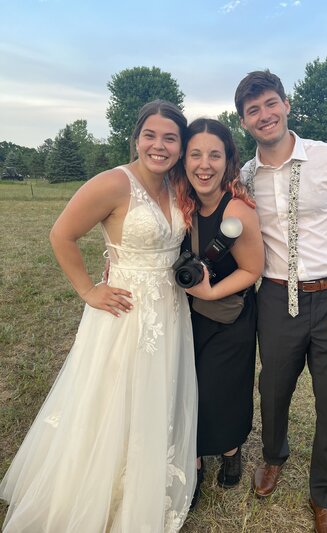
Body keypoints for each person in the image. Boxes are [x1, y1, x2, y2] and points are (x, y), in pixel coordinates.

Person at [0, 100, 198, 533]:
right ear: (136, 137)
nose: (159, 146)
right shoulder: (113, 183)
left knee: (156, 392)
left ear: (180, 146)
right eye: (151, 135)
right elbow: (62, 234)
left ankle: (145, 477)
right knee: (113, 396)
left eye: (170, 138)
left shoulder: (175, 185)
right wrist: (88, 289)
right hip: (125, 312)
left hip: (170, 309)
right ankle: (97, 487)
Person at [235, 70, 327, 533]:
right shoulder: (245, 176)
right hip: (276, 297)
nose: (265, 115)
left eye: (270, 103)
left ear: (286, 104)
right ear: (243, 121)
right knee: (273, 389)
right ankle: (274, 456)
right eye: (253, 110)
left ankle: (325, 496)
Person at [171, 118, 264, 506]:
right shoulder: (178, 204)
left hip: (230, 314)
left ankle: (229, 450)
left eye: (215, 155)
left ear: (228, 161)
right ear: (184, 160)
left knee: (219, 391)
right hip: (183, 316)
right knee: (184, 387)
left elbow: (252, 269)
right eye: (195, 154)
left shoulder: (237, 211)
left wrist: (209, 291)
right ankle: (191, 463)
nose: (204, 164)